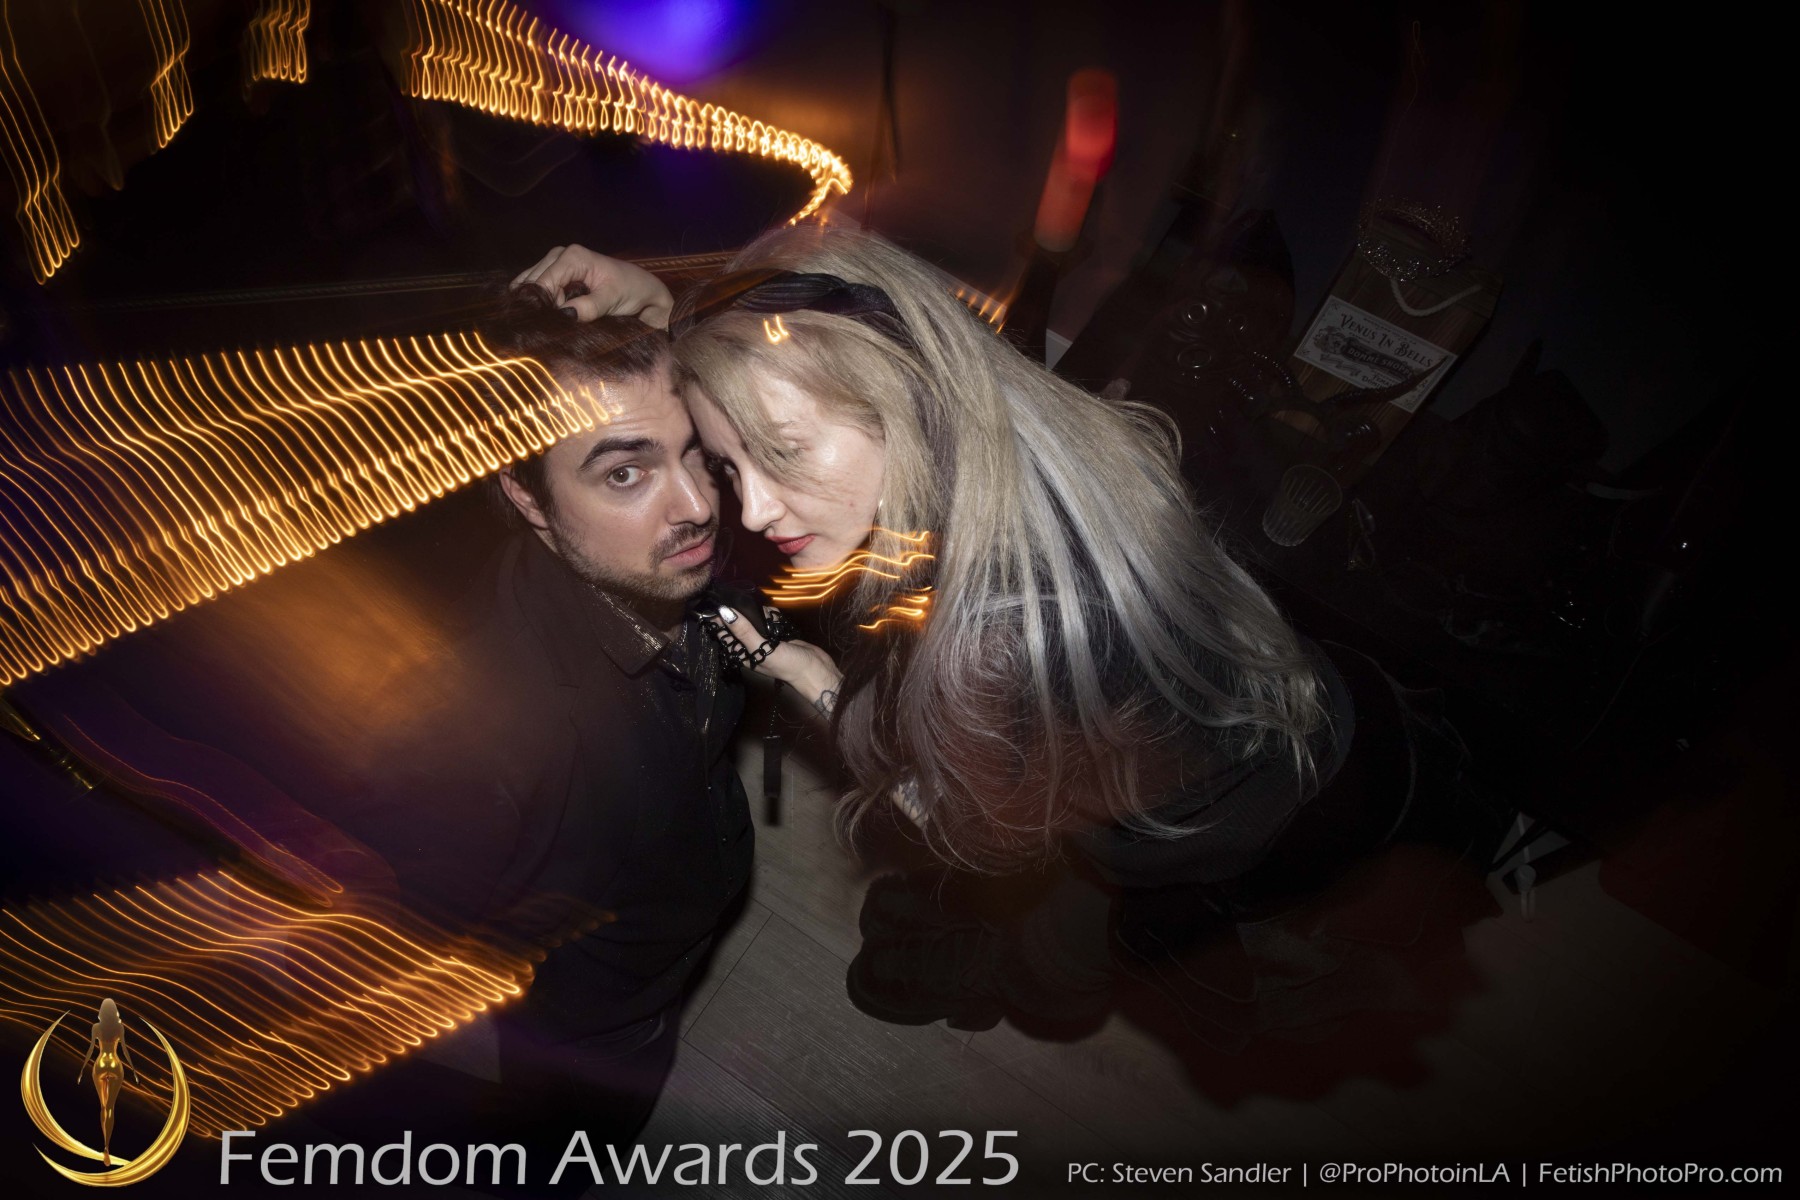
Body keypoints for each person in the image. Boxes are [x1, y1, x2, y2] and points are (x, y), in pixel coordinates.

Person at [525, 230, 1500, 1047]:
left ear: (900, 392)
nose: (753, 508)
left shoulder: (998, 650)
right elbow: (825, 333)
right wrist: (678, 312)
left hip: (1213, 837)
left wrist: (802, 669)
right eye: (732, 465)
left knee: (1056, 962)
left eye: (781, 454)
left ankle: (1042, 1002)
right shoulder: (1016, 422)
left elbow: (965, 830)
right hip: (1322, 714)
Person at [292, 283, 772, 1195]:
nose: (697, 505)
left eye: (698, 455)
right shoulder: (474, 745)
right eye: (624, 473)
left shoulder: (664, 560)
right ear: (527, 495)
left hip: (671, 917)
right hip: (600, 1018)